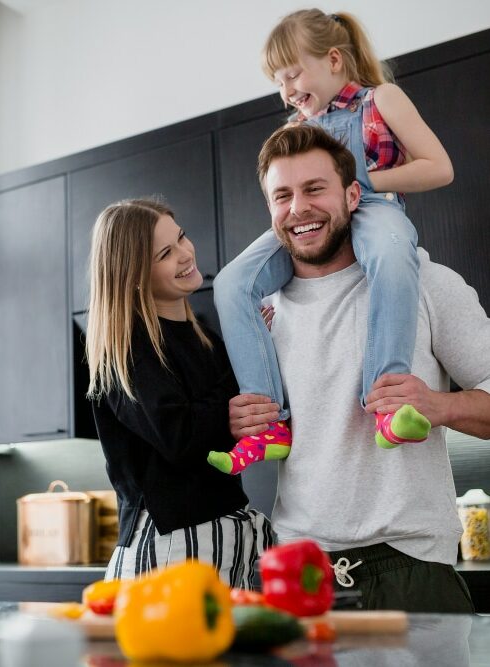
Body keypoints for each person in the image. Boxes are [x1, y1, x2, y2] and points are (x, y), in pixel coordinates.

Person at [228, 122, 490, 612]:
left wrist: (437, 405)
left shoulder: (427, 283)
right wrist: (242, 420)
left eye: (314, 189)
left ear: (353, 195)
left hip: (411, 568)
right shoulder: (262, 316)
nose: (298, 208)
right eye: (282, 195)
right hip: (297, 572)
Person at [209, 9, 454, 475]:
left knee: (389, 253)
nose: (286, 91)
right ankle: (271, 425)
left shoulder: (382, 99)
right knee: (231, 282)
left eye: (293, 73)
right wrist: (310, 196)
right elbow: (289, 198)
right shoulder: (292, 132)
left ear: (335, 60)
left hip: (376, 207)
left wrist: (356, 182)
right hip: (312, 222)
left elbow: (439, 167)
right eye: (278, 82)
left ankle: (386, 403)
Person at [85, 198, 273, 585]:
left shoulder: (205, 337)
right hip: (171, 549)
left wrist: (255, 347)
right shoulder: (125, 348)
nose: (186, 254)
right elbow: (180, 437)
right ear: (134, 275)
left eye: (181, 237)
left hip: (220, 538)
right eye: (166, 253)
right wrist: (241, 372)